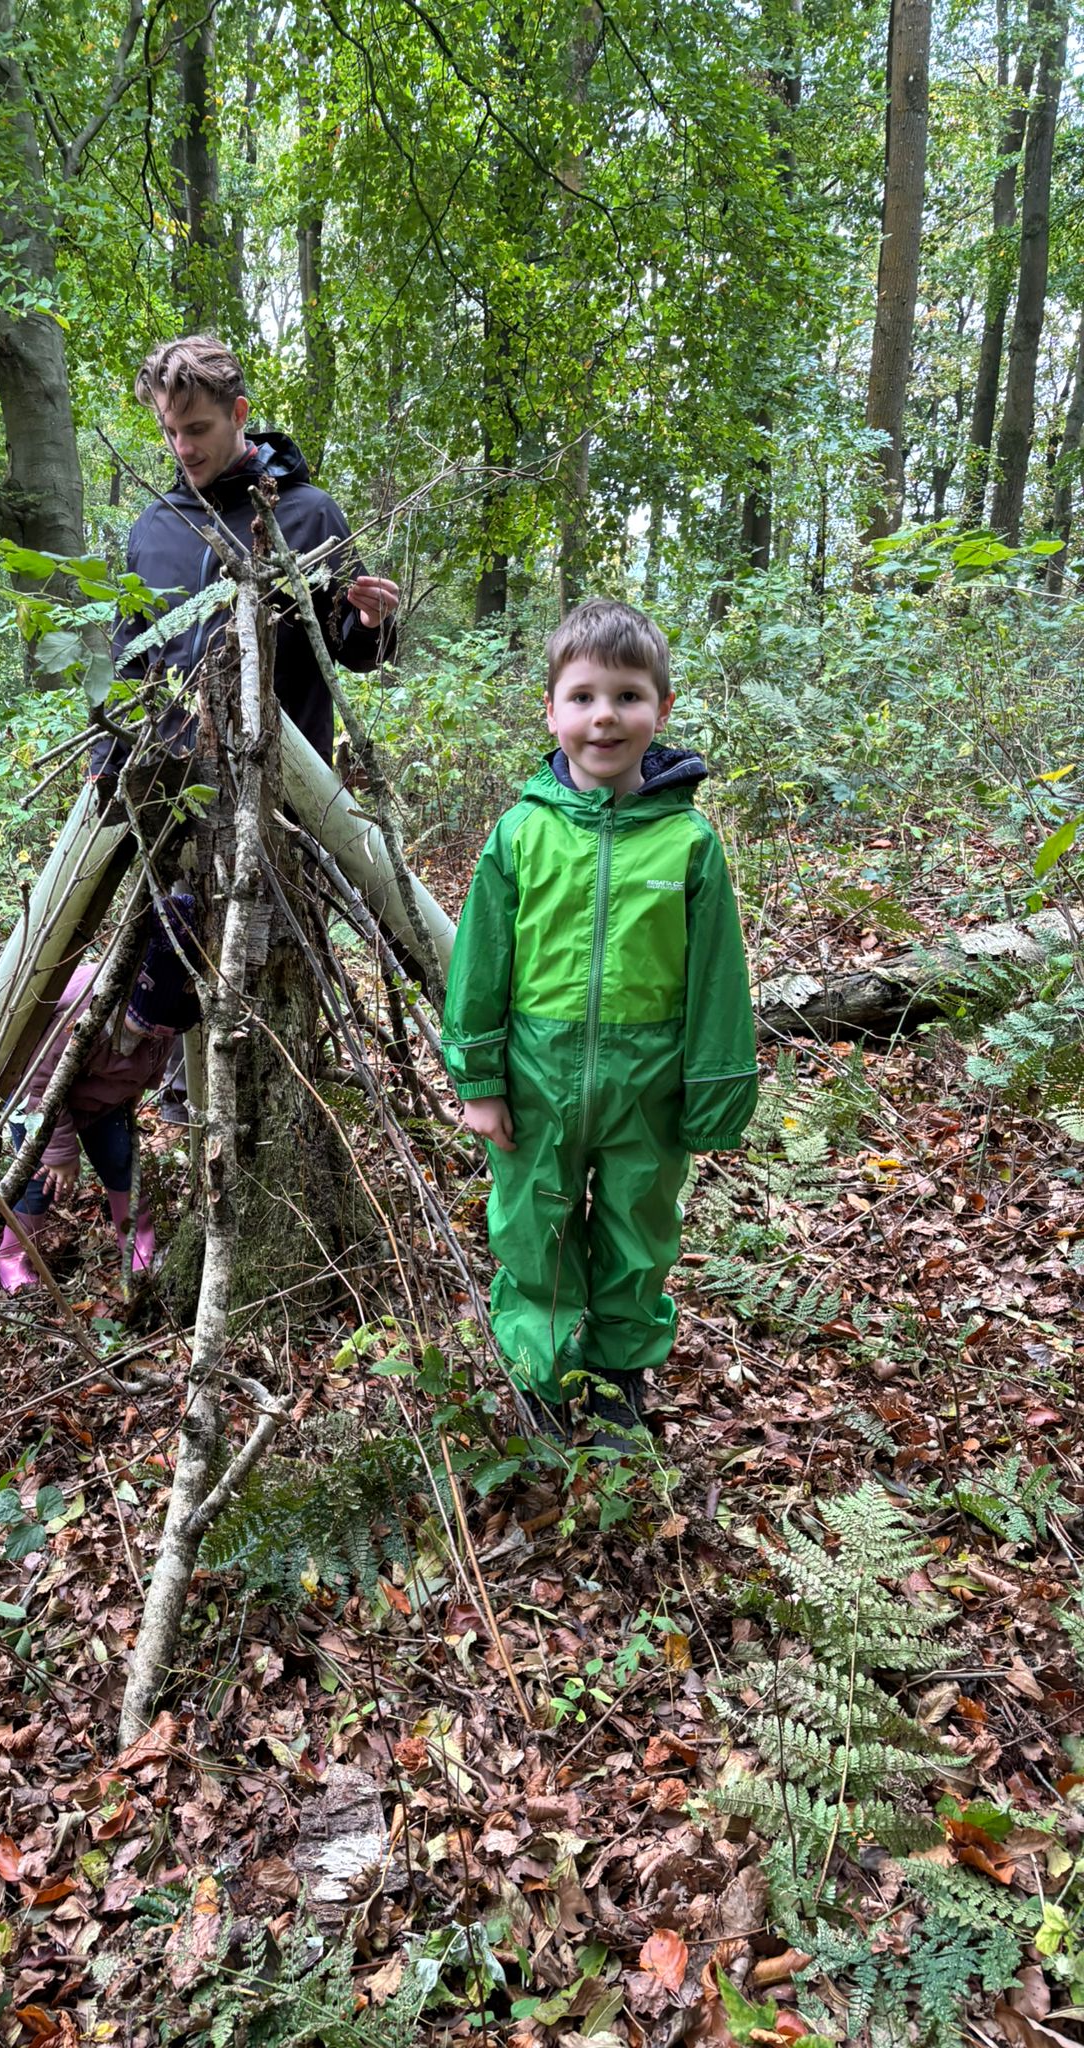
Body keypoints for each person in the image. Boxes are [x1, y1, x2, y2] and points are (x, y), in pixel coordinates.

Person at [441, 599, 758, 1441]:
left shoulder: (688, 843)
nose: (604, 716)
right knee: (532, 1233)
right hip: (535, 1082)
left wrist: (714, 1089)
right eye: (582, 696)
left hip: (647, 1085)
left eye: (627, 696)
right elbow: (479, 965)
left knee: (637, 1235)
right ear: (551, 711)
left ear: (661, 711)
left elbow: (719, 976)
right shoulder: (521, 833)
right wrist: (479, 1079)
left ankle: (620, 1383)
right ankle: (543, 1384)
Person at [113, 332, 401, 768]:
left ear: (238, 412)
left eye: (197, 429)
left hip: (285, 792)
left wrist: (370, 623)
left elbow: (357, 653)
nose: (183, 449)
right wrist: (107, 767)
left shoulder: (310, 515)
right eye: (170, 431)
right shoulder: (154, 525)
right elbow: (128, 663)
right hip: (171, 792)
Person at [0, 893, 202, 1293]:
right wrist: (59, 1154)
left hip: (102, 1103)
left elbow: (146, 1064)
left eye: (163, 1033)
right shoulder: (84, 1009)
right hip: (41, 1109)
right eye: (142, 1027)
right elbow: (37, 1085)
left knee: (121, 1163)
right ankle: (15, 1258)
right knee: (39, 1185)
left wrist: (129, 1097)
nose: (150, 1038)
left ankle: (137, 1244)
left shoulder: (169, 1015)